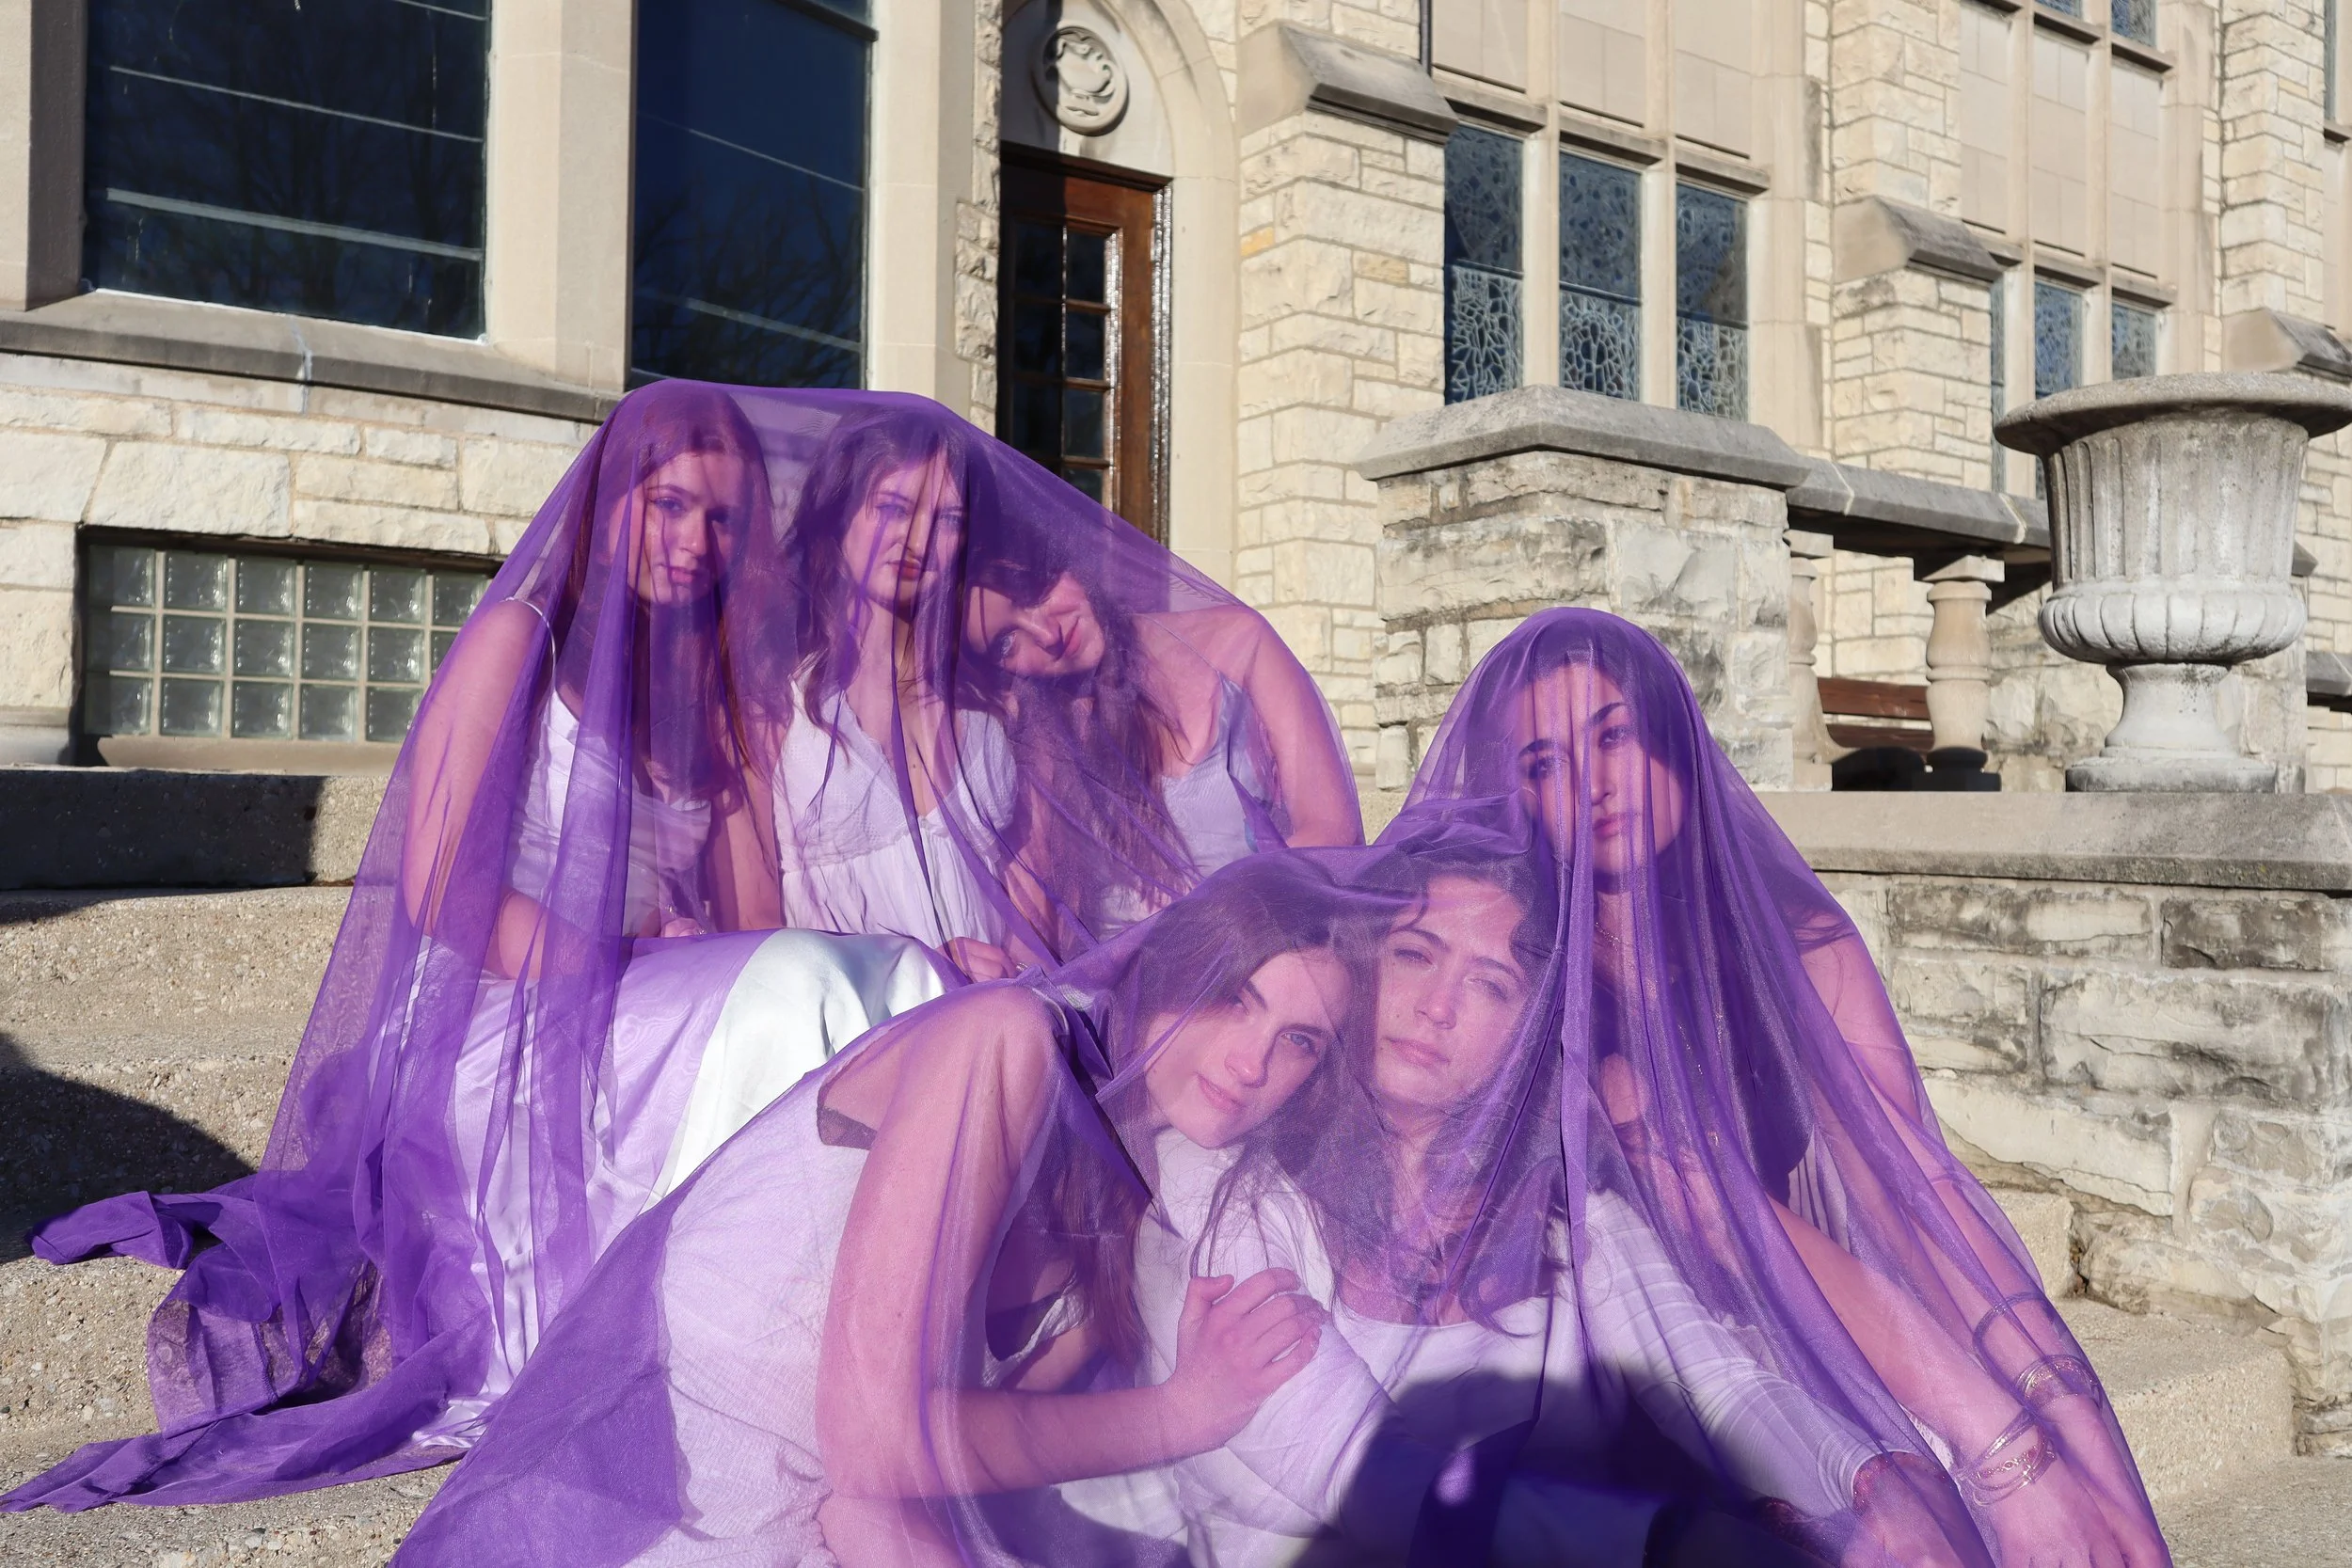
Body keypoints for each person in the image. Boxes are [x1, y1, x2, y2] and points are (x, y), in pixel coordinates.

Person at [1, 386, 1362, 1514]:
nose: (698, 535)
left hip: (651, 1003)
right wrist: (636, 962)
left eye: (722, 513)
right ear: (611, 503)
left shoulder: (705, 686)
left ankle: (923, 1324)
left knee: (894, 988)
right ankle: (776, 1339)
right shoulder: (515, 643)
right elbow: (437, 890)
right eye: (670, 503)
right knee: (848, 985)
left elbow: (753, 909)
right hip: (513, 1021)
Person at [391, 851, 1376, 1566]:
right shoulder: (1003, 1039)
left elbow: (906, 1484)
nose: (1253, 1062)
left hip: (821, 1531)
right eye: (1233, 999)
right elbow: (880, 1439)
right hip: (648, 1522)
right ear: (1168, 971)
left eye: (1299, 1041)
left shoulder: (1120, 1212)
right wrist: (1180, 1412)